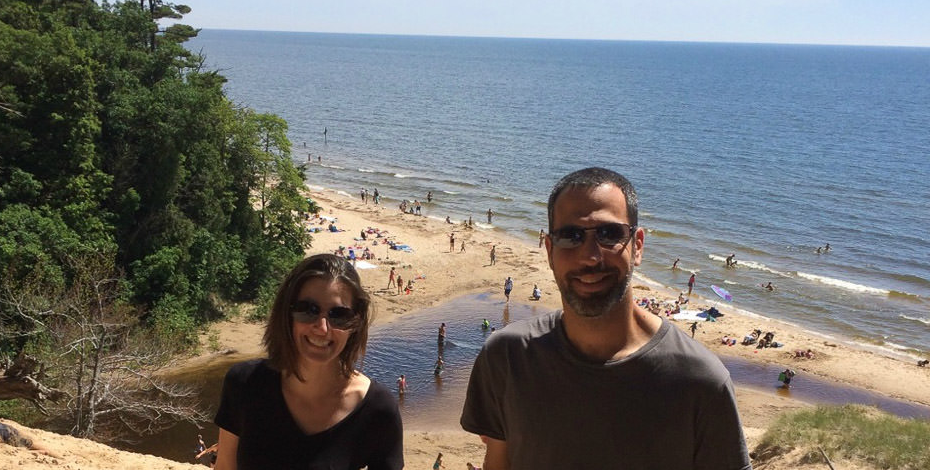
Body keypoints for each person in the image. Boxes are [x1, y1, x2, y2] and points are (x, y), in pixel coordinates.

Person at [460, 167, 750, 469]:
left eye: (609, 234)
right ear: (549, 250)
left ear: (637, 245)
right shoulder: (508, 357)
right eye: (571, 236)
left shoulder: (700, 381)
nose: (591, 256)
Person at [213, 254, 404, 470]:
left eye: (338, 315)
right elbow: (225, 467)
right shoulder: (245, 384)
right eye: (307, 310)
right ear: (288, 314)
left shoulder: (378, 410)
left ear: (354, 324)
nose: (322, 328)